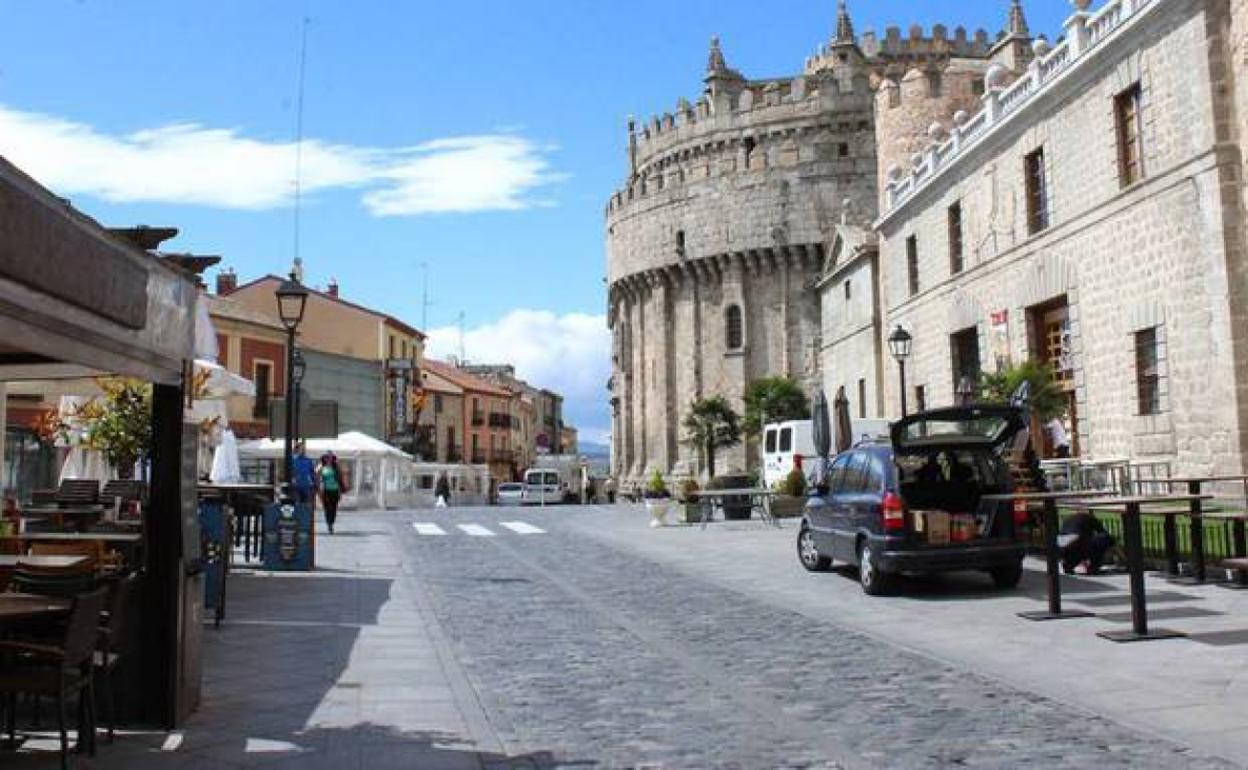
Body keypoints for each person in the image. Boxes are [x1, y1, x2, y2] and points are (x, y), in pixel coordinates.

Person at [316, 452, 347, 534]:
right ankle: (329, 524)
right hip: (325, 490)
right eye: (326, 457)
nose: (328, 459)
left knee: (334, 508)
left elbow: (340, 478)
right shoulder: (321, 467)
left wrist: (340, 491)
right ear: (324, 459)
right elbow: (317, 478)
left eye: (330, 457)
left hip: (335, 490)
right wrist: (318, 490)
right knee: (326, 508)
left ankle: (331, 522)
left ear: (333, 458)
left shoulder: (336, 467)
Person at [291, 442, 318, 513]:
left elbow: (312, 473)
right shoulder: (292, 460)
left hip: (307, 486)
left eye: (303, 448)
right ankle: (299, 520)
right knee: (297, 505)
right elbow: (290, 472)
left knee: (307, 506)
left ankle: (306, 521)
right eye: (301, 448)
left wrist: (314, 484)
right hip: (296, 486)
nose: (302, 450)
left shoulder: (308, 460)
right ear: (296, 449)